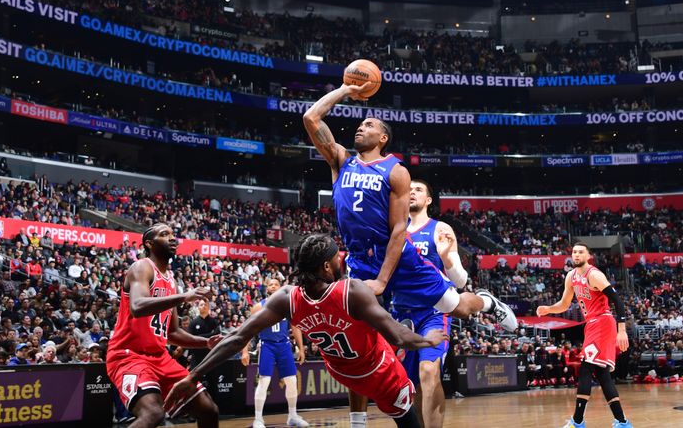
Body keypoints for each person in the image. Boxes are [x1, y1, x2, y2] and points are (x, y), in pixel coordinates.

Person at [302, 84, 516, 427]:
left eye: (370, 125)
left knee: (456, 306)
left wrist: (383, 280)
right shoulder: (340, 160)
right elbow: (311, 117)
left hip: (398, 259)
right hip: (359, 260)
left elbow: (399, 230)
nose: (362, 127)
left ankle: (489, 303)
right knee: (358, 336)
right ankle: (358, 421)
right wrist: (344, 89)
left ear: (383, 138)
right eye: (361, 124)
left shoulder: (396, 171)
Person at [164, 234, 448, 428]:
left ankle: (357, 422)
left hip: (341, 371)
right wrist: (426, 339)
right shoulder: (352, 291)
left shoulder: (286, 297)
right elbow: (398, 335)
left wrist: (193, 375)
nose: (342, 261)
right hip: (377, 372)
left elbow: (237, 337)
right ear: (327, 266)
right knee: (408, 419)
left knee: (358, 343)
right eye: (338, 258)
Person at [105, 223, 221, 428]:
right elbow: (137, 306)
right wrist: (184, 296)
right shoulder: (142, 267)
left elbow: (173, 332)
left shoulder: (171, 281)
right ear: (149, 243)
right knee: (153, 414)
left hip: (160, 358)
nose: (172, 238)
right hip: (128, 356)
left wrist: (206, 343)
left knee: (209, 410)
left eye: (173, 234)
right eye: (164, 234)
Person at [391, 179, 469, 428]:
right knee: (409, 384)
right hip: (401, 314)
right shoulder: (394, 228)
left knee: (429, 372)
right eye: (409, 189)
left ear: (428, 200)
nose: (412, 192)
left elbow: (460, 281)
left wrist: (446, 258)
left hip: (434, 312)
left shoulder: (440, 229)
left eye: (419, 190)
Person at [536, 243, 632, 428]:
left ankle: (577, 422)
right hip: (592, 324)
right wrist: (549, 309)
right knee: (603, 374)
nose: (577, 255)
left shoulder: (594, 275)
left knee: (586, 368)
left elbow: (617, 301)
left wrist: (622, 331)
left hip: (603, 323)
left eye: (581, 252)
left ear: (588, 256)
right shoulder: (571, 276)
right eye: (574, 252)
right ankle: (622, 422)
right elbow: (564, 304)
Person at [241, 278, 309, 428]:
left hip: (284, 345)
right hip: (267, 346)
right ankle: (258, 419)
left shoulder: (287, 306)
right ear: (267, 288)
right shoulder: (259, 307)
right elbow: (248, 329)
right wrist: (244, 351)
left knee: (292, 382)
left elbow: (296, 327)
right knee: (263, 382)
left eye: (276, 284)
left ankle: (292, 416)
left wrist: (301, 348)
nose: (273, 286)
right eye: (270, 284)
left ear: (280, 288)